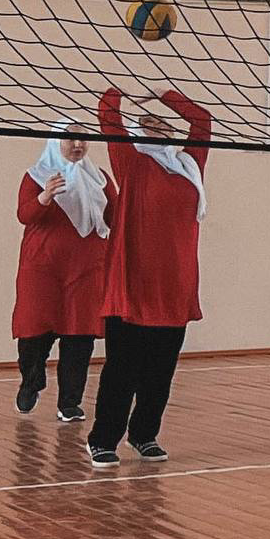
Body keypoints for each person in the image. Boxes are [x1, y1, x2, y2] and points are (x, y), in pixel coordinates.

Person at [86, 86, 210, 468]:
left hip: (175, 286)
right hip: (133, 286)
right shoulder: (132, 163)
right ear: (138, 133)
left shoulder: (189, 166)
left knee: (160, 373)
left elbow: (202, 121)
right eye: (147, 122)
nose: (157, 125)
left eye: (161, 122)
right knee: (122, 372)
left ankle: (144, 435)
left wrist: (164, 94)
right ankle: (102, 440)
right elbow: (109, 116)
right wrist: (119, 91)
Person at [12, 121, 117, 421]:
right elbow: (25, 214)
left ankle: (69, 403)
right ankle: (31, 382)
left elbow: (115, 217)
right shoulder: (36, 176)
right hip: (42, 269)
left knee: (80, 337)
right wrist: (44, 197)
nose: (77, 145)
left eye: (83, 139)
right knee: (34, 335)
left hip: (87, 270)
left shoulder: (100, 179)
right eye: (70, 139)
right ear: (55, 141)